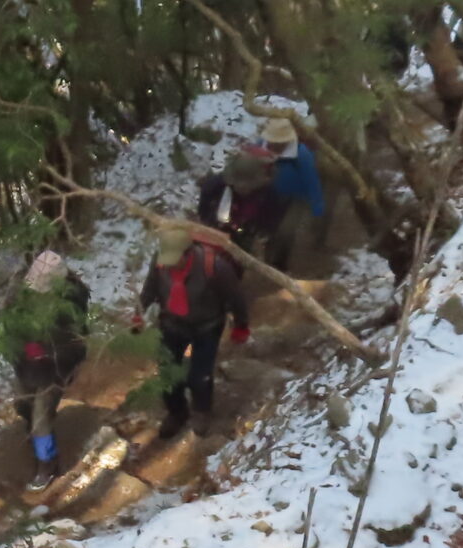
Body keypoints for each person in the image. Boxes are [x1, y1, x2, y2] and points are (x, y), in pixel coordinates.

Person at [133, 222, 250, 440]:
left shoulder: (214, 267)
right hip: (172, 323)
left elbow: (236, 298)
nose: (169, 264)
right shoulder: (160, 263)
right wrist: (139, 313)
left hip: (207, 326)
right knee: (168, 372)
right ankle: (177, 412)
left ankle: (202, 411)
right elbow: (150, 287)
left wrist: (241, 326)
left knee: (200, 375)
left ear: (187, 254)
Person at [1, 249, 92, 487]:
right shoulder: (22, 292)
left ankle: (47, 463)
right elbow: (8, 319)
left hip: (54, 369)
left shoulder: (72, 302)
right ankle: (38, 431)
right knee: (22, 405)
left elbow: (78, 343)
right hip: (25, 364)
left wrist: (49, 351)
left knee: (41, 417)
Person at [259, 115, 327, 272]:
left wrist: (317, 204)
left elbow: (312, 180)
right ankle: (268, 260)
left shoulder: (302, 154)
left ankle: (280, 265)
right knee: (270, 229)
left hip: (296, 198)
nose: (273, 144)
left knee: (287, 231)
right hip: (269, 196)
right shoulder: (260, 146)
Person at [194, 144, 281, 258]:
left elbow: (269, 223)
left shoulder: (268, 195)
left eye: (246, 186)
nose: (240, 188)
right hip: (218, 228)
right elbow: (204, 206)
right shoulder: (216, 185)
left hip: (246, 234)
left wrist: (260, 237)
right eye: (237, 185)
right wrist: (206, 220)